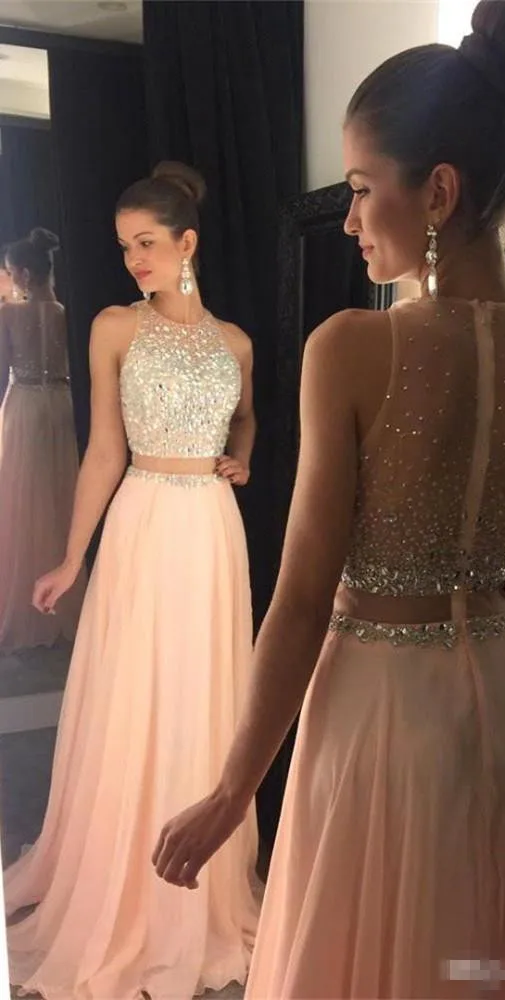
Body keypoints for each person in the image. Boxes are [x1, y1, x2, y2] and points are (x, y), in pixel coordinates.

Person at [153, 3, 505, 997]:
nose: (350, 220)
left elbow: (301, 599)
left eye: (361, 190)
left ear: (436, 190)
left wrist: (231, 791)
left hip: (381, 720)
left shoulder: (350, 348)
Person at [4, 162, 262, 999]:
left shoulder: (235, 343)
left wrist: (242, 457)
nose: (133, 260)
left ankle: (197, 887)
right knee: (134, 694)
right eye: (124, 247)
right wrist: (72, 556)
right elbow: (104, 450)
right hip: (144, 520)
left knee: (202, 693)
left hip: (212, 532)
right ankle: (122, 874)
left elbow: (247, 416)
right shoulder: (115, 326)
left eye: (146, 243)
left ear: (187, 242)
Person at [0, 228, 86, 652]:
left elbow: (3, 370)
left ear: (23, 273)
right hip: (61, 405)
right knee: (60, 498)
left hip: (24, 405)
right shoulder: (66, 313)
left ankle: (22, 601)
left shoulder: (7, 315)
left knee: (21, 499)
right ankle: (64, 599)